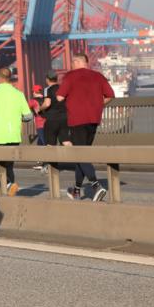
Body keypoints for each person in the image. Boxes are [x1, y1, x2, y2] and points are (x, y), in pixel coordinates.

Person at [57, 53, 114, 201]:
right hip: (93, 120)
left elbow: (59, 97)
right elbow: (110, 95)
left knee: (80, 155)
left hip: (77, 120)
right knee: (82, 156)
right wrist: (97, 105)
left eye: (72, 62)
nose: (71, 65)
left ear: (77, 62)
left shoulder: (70, 76)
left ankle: (96, 186)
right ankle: (76, 190)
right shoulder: (98, 76)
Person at [0, 67, 32, 196]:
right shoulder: (19, 94)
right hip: (14, 136)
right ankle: (10, 189)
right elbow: (29, 117)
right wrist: (16, 118)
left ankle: (8, 185)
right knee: (9, 165)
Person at [39, 72, 70, 173]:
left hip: (52, 118)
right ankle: (78, 160)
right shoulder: (62, 88)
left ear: (47, 79)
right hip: (64, 117)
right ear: (56, 79)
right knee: (65, 140)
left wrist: (40, 109)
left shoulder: (48, 89)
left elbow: (47, 103)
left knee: (50, 142)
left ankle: (50, 166)